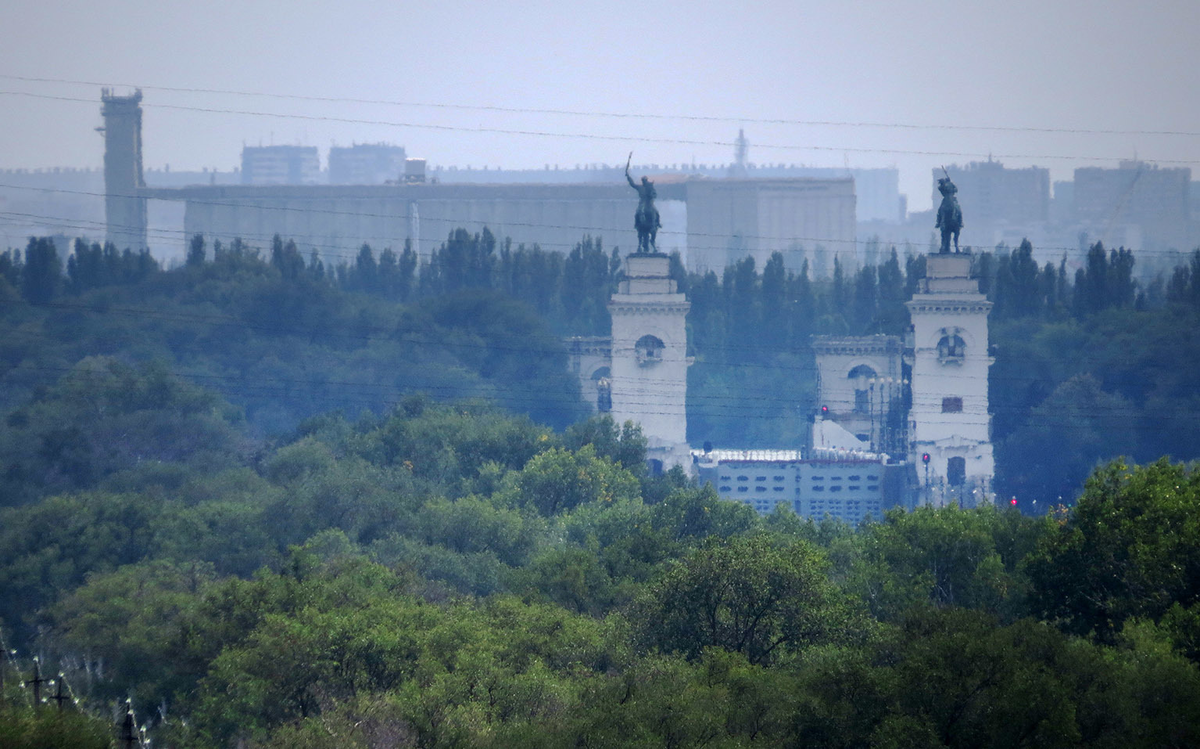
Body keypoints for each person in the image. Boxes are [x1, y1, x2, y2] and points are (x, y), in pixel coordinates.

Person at [626, 153, 661, 253]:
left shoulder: (650, 186)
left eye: (645, 180)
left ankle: (657, 222)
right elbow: (632, 184)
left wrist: (652, 196)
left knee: (656, 211)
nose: (644, 181)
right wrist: (628, 177)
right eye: (643, 180)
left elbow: (654, 193)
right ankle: (637, 223)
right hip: (642, 203)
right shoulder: (640, 188)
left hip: (649, 203)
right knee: (638, 212)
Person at [936, 176, 963, 253]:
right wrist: (943, 184)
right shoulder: (944, 187)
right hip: (946, 200)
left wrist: (952, 185)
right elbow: (941, 189)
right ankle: (939, 222)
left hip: (952, 200)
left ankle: (960, 222)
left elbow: (956, 190)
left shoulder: (951, 185)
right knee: (940, 209)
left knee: (958, 209)